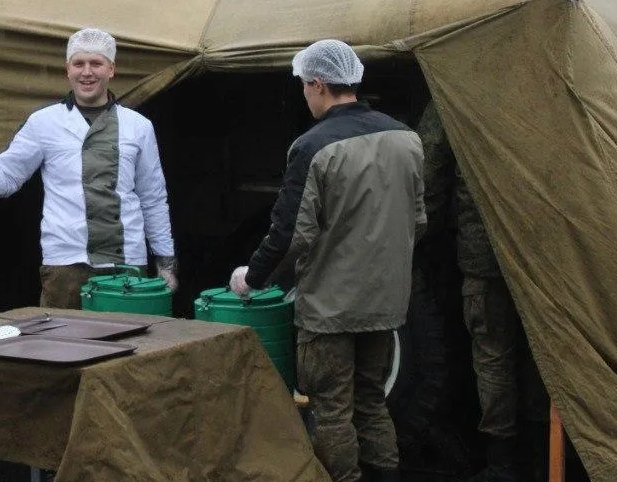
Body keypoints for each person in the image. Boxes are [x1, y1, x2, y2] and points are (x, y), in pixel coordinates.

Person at [229, 39, 425, 482]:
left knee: (331, 408)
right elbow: (417, 221)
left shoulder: (312, 145)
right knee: (371, 400)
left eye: (303, 86)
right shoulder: (406, 138)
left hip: (330, 309)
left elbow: (289, 233)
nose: (303, 94)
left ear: (318, 84)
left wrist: (252, 277)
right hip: (386, 302)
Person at [0, 28, 177, 309]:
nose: (87, 72)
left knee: (131, 348)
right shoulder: (44, 123)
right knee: (63, 347)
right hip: (66, 267)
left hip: (126, 264)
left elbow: (153, 199)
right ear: (67, 69)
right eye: (79, 63)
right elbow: (6, 179)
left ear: (112, 69)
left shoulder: (138, 126)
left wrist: (166, 262)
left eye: (96, 63)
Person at [417, 102, 546, 482]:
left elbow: (429, 173)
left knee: (492, 355)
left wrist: (417, 244)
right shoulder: (548, 77)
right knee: (543, 352)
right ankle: (541, 457)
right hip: (546, 255)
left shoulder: (453, 80)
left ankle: (501, 461)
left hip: (483, 254)